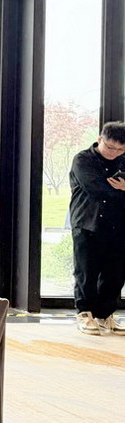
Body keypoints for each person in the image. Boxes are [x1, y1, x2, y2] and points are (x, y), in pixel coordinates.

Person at [67, 121, 125, 335]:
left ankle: (105, 315)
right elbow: (98, 189)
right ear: (100, 139)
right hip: (87, 223)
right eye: (110, 147)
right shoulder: (83, 160)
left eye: (120, 149)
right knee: (86, 271)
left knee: (116, 273)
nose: (114, 153)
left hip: (119, 224)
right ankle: (85, 313)